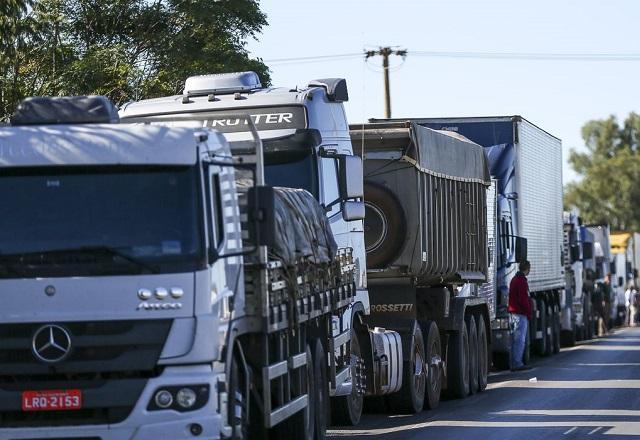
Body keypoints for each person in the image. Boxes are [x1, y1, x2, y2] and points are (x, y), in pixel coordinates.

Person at [508, 260, 532, 371]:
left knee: (514, 340)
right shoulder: (522, 281)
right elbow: (524, 299)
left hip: (512, 314)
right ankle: (517, 363)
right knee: (520, 340)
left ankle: (513, 363)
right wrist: (528, 312)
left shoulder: (513, 280)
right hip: (520, 314)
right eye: (529, 269)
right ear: (526, 269)